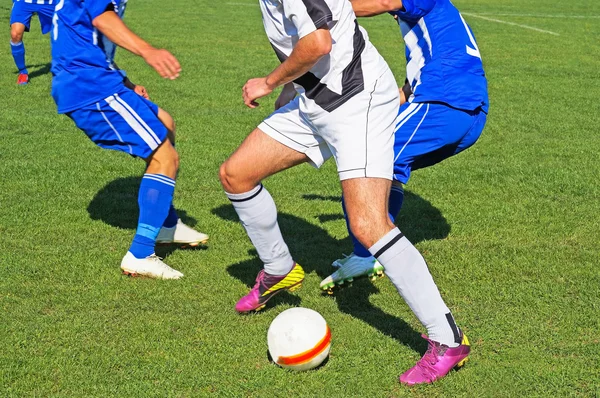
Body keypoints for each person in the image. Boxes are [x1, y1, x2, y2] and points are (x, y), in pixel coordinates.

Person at [219, 0, 468, 384]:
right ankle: (279, 269)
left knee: (370, 225)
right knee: (236, 174)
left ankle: (448, 340)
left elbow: (318, 42)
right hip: (315, 102)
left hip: (358, 103)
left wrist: (269, 83)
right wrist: (293, 84)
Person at [320, 0, 488, 384]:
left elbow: (376, 3)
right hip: (458, 107)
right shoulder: (431, 24)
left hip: (445, 103)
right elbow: (418, 74)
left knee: (364, 160)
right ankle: (365, 255)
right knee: (385, 166)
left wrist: (327, 8)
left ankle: (445, 339)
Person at [51, 0, 208, 279]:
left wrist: (127, 84)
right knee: (165, 157)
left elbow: (87, 39)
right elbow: (102, 20)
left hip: (99, 79)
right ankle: (140, 253)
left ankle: (165, 224)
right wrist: (148, 51)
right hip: (89, 87)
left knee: (165, 123)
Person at [10, 0, 55, 84]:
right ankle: (23, 73)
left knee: (67, 31)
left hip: (50, 2)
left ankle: (70, 68)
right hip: (24, 2)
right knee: (15, 34)